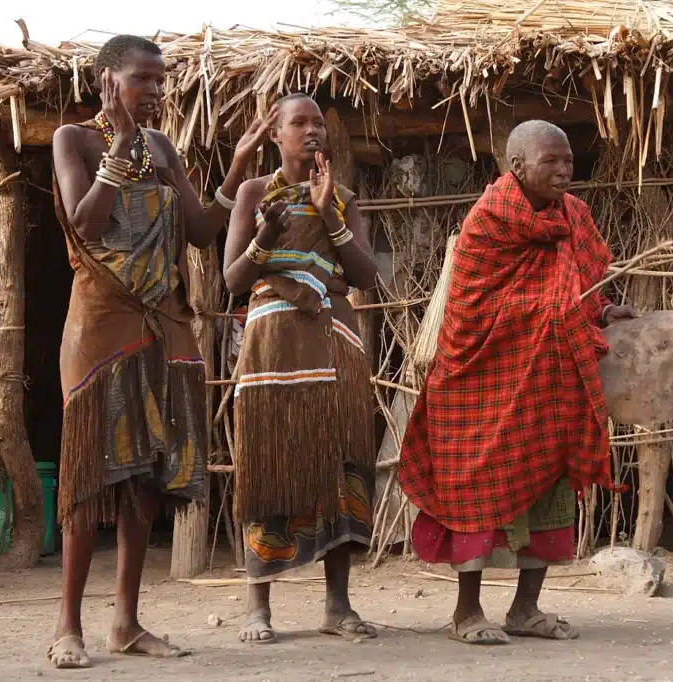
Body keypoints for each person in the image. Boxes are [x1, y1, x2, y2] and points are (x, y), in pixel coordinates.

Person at [47, 34, 272, 669]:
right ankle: (69, 625)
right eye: (142, 78)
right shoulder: (76, 140)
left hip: (165, 324)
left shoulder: (164, 147)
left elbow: (201, 232)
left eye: (159, 79)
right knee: (92, 475)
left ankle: (125, 621)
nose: (155, 90)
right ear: (105, 82)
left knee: (146, 474)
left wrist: (235, 165)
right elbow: (86, 222)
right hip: (101, 324)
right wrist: (119, 145)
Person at [398, 120, 637, 646]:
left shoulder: (574, 215)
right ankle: (467, 613)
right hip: (480, 383)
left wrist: (604, 311)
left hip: (548, 382)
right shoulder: (489, 220)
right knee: (474, 490)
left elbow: (582, 289)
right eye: (551, 161)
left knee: (551, 487)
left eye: (568, 160)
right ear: (518, 166)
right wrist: (560, 311)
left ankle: (525, 609)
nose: (564, 170)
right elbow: (473, 309)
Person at [222, 93, 379, 645]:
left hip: (334, 342)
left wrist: (331, 214)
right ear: (276, 135)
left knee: (341, 465)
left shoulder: (345, 199)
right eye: (299, 123)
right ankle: (257, 606)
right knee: (270, 461)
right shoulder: (251, 193)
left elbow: (365, 277)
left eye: (318, 123)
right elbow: (234, 280)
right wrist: (266, 237)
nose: (312, 131)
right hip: (272, 350)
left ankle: (338, 605)